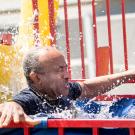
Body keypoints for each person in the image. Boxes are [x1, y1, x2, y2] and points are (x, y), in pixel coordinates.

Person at [0, 46, 135, 127]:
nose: (67, 75)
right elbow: (14, 104)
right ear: (36, 77)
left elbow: (87, 87)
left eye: (65, 68)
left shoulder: (63, 92)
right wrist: (10, 105)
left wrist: (127, 76)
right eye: (59, 70)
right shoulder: (30, 98)